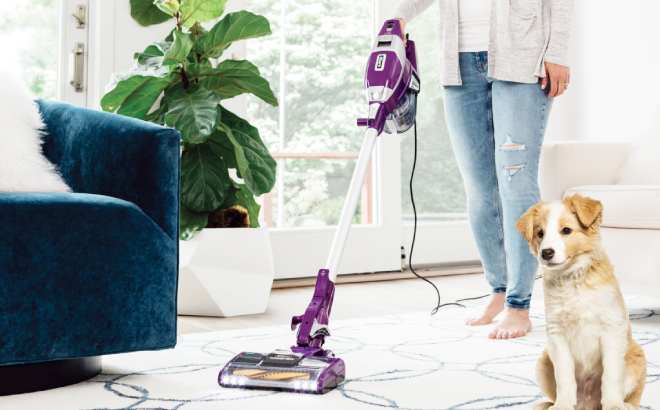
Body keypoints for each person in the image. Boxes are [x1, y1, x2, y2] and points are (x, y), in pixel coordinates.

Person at [391, 0, 573, 339]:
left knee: (516, 185)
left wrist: (558, 51)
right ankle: (499, 291)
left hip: (521, 56)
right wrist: (399, 15)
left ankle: (519, 307)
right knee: (478, 189)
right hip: (458, 61)